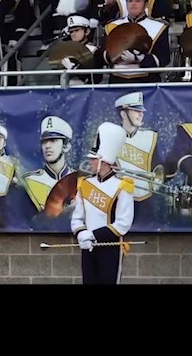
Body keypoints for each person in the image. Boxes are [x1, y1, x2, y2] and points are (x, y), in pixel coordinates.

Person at [71, 122, 133, 285]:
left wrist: (94, 235)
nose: (90, 163)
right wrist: (81, 234)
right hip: (87, 248)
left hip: (110, 248)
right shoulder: (84, 183)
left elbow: (123, 223)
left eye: (94, 159)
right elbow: (77, 218)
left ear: (104, 161)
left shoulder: (122, 186)